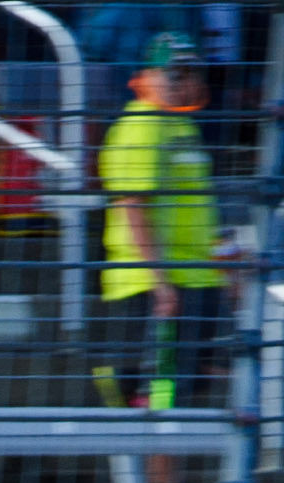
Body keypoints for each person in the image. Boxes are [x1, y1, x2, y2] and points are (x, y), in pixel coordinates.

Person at [96, 31, 226, 453]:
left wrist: (227, 263)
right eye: (173, 73)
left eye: (189, 73)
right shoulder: (141, 126)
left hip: (193, 279)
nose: (181, 82)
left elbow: (202, 209)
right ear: (146, 75)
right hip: (153, 286)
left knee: (179, 392)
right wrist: (159, 281)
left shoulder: (179, 125)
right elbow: (134, 205)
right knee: (161, 395)